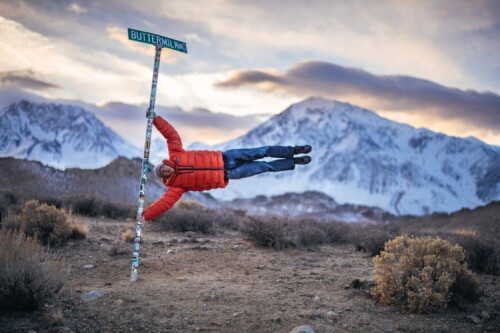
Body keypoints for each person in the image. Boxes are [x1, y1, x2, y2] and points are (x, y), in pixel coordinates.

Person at [138, 113, 312, 222]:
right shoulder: (176, 187)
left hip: (226, 156)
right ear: (164, 176)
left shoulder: (176, 153)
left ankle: (294, 150)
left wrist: (155, 120)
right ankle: (295, 162)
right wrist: (145, 215)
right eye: (163, 173)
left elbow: (171, 135)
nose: (165, 170)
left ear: (165, 164)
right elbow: (164, 204)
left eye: (163, 168)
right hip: (229, 174)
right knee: (263, 166)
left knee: (262, 151)